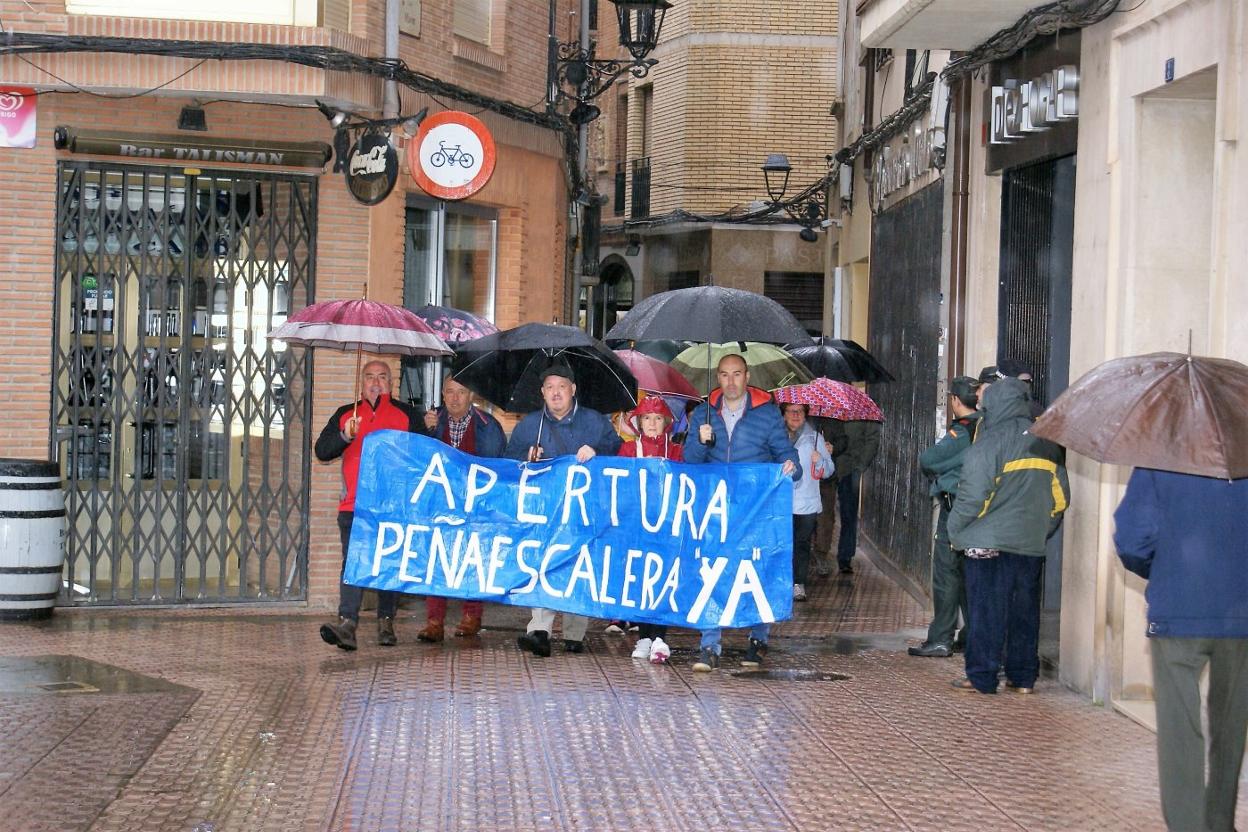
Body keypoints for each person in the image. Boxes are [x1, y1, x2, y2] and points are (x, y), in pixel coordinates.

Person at [1114, 469, 1248, 832]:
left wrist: (1165, 570)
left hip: (1177, 611)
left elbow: (1131, 540)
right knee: (1231, 728)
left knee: (1180, 733)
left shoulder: (1162, 458)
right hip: (1240, 614)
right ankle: (1220, 823)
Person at [947, 377, 1069, 694]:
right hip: (1030, 545)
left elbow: (973, 498)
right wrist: (1040, 529)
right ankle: (1023, 678)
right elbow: (1060, 499)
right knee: (1024, 613)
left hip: (987, 543)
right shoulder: (1047, 443)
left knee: (986, 611)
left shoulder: (989, 444)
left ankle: (982, 676)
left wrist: (955, 530)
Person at [684, 354, 799, 671]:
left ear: (747, 376)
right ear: (717, 378)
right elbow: (690, 462)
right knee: (712, 570)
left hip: (755, 508)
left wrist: (793, 467)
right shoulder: (703, 414)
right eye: (724, 375)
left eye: (737, 374)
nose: (731, 381)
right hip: (716, 506)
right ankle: (709, 645)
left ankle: (758, 637)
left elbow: (785, 453)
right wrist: (700, 441)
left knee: (756, 571)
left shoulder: (767, 414)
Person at [505, 363, 621, 657]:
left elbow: (618, 452)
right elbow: (507, 462)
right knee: (543, 565)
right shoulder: (530, 426)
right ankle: (539, 631)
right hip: (544, 512)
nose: (556, 393)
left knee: (577, 567)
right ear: (542, 393)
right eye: (550, 387)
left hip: (584, 511)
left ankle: (574, 633)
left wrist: (598, 453)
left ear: (573, 390)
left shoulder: (595, 423)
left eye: (562, 386)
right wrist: (526, 457)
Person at [315, 360, 422, 651]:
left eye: (383, 377)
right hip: (353, 506)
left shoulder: (408, 415)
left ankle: (386, 621)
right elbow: (321, 451)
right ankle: (347, 624)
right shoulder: (345, 414)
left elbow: (424, 459)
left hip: (392, 507)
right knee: (353, 564)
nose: (376, 382)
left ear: (391, 383)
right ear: (362, 383)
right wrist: (345, 436)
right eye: (370, 377)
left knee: (388, 563)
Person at [415, 375, 507, 642]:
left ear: (472, 396)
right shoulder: (432, 422)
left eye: (461, 392)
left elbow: (497, 467)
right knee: (436, 559)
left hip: (474, 505)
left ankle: (471, 617)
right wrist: (425, 430)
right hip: (438, 504)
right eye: (450, 392)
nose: (455, 398)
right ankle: (434, 621)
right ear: (443, 395)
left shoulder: (489, 427)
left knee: (473, 559)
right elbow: (416, 459)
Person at [910, 376, 982, 658]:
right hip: (977, 510)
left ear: (955, 400)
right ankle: (971, 634)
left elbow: (929, 459)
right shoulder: (985, 427)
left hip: (956, 510)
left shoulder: (962, 431)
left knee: (946, 575)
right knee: (967, 576)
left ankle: (941, 638)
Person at [616, 396, 684, 664]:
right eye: (647, 418)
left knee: (664, 579)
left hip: (667, 525)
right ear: (639, 422)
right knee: (641, 579)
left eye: (657, 418)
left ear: (666, 422)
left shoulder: (676, 451)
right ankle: (644, 636)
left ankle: (661, 638)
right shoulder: (628, 449)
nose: (652, 423)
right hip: (637, 525)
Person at [780, 402, 833, 602]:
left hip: (807, 503)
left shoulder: (815, 438)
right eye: (791, 411)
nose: (795, 415)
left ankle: (798, 583)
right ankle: (782, 581)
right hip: (782, 502)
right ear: (783, 414)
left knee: (802, 544)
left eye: (800, 411)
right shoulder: (776, 437)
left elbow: (829, 470)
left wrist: (819, 460)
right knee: (783, 543)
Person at [825, 416, 882, 574]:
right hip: (825, 465)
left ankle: (845, 556)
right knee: (822, 511)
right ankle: (821, 552)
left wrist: (860, 465)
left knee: (849, 514)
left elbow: (872, 439)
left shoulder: (862, 413)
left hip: (850, 469)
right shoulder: (828, 407)